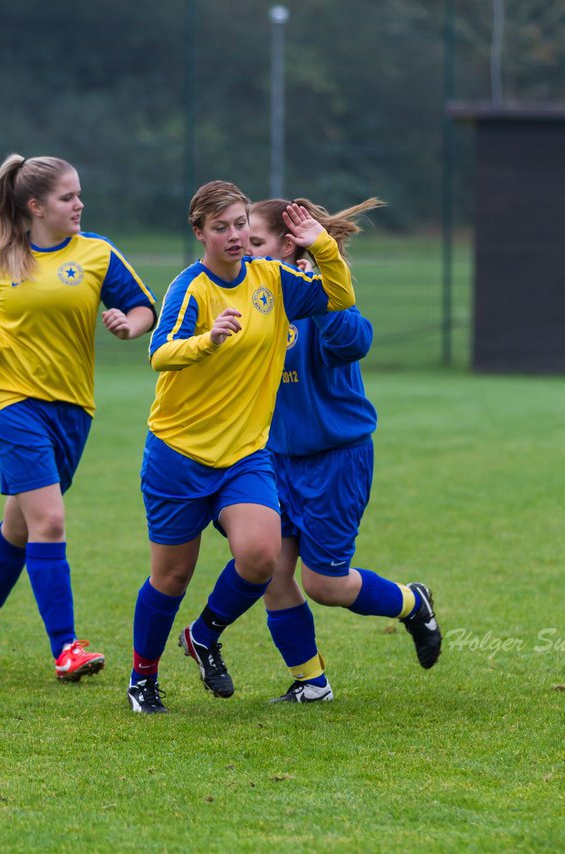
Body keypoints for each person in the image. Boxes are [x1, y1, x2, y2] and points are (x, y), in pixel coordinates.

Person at [127, 180, 355, 714]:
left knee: (260, 556)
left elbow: (340, 296)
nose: (234, 237)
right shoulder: (190, 288)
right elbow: (160, 355)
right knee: (172, 575)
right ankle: (143, 680)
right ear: (200, 233)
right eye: (222, 228)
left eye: (240, 226)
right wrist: (210, 340)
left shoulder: (273, 278)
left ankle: (204, 635)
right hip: (178, 453)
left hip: (245, 455)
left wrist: (321, 245)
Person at [0, 153, 156, 682]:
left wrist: (127, 326)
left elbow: (143, 308)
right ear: (36, 206)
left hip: (72, 409)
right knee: (49, 520)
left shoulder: (97, 254)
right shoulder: (1, 257)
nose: (79, 204)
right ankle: (65, 647)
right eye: (69, 197)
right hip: (9, 399)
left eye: (79, 194)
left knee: (19, 525)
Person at [247, 196, 441, 704]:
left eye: (256, 245)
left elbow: (356, 341)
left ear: (292, 248)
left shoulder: (322, 299)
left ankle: (410, 603)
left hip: (336, 458)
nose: (245, 257)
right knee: (269, 571)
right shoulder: (252, 298)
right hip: (273, 459)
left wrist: (323, 274)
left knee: (324, 585)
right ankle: (311, 683)